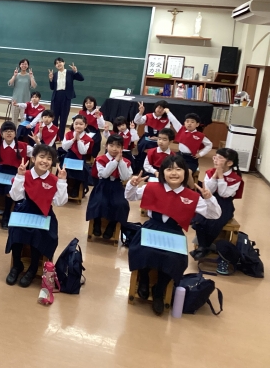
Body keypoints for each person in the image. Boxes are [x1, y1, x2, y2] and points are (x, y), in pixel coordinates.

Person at [125, 156, 221, 315]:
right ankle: (143, 278)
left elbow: (214, 215)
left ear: (185, 173)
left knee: (176, 259)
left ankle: (159, 290)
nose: (174, 173)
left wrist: (209, 199)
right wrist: (132, 185)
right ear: (162, 172)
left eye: (178, 169)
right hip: (152, 227)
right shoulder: (152, 187)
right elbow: (130, 196)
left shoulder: (192, 196)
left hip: (174, 232)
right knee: (141, 250)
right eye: (169, 169)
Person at [6, 145, 68, 287]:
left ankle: (33, 268)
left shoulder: (54, 179)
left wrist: (62, 181)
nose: (45, 161)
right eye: (41, 157)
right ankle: (17, 265)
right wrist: (20, 176)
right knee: (16, 229)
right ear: (33, 159)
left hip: (44, 214)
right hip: (25, 210)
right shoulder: (25, 174)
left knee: (39, 234)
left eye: (49, 158)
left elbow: (59, 202)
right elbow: (16, 197)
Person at [190, 148, 243, 262]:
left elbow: (224, 194)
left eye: (219, 158)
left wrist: (221, 176)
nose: (215, 160)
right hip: (210, 199)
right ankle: (205, 247)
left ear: (229, 163)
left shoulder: (236, 178)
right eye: (215, 157)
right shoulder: (210, 172)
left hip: (225, 204)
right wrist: (215, 175)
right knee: (198, 219)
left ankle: (203, 247)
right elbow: (209, 190)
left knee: (215, 221)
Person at [0, 121, 33, 229]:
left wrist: (38, 143)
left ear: (15, 133)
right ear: (1, 134)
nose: (9, 133)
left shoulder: (23, 146)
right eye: (6, 131)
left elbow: (36, 152)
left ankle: (6, 214)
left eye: (11, 131)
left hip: (15, 173)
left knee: (10, 190)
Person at [86, 134, 132, 239]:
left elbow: (125, 177)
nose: (114, 149)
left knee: (121, 204)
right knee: (99, 201)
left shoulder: (126, 162)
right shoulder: (100, 159)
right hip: (102, 185)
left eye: (118, 146)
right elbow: (104, 174)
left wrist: (120, 161)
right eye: (111, 145)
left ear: (122, 148)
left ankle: (112, 225)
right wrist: (115, 161)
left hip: (117, 185)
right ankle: (96, 222)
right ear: (106, 146)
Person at [166, 110, 212, 175]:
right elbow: (174, 120)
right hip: (179, 155)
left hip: (191, 159)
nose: (189, 123)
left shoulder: (200, 135)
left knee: (188, 173)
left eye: (192, 122)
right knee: (170, 168)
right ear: (184, 123)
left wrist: (200, 154)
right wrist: (168, 112)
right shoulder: (181, 130)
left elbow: (209, 145)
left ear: (197, 124)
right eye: (187, 121)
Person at [49, 58, 84, 140]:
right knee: (54, 118)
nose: (59, 64)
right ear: (55, 65)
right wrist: (50, 79)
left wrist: (76, 71)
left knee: (63, 118)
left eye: (60, 62)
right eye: (56, 63)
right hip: (56, 97)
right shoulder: (55, 74)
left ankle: (61, 137)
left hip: (66, 97)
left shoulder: (70, 72)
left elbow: (81, 78)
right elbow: (52, 88)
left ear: (64, 63)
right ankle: (54, 137)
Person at [59, 115, 94, 198]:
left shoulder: (87, 138)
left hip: (80, 158)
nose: (78, 126)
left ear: (85, 125)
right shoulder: (69, 134)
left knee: (81, 171)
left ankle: (76, 187)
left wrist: (78, 140)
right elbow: (64, 147)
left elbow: (83, 151)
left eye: (81, 124)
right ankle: (64, 187)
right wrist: (73, 139)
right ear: (73, 124)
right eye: (76, 124)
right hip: (69, 156)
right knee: (63, 168)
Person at [132, 100, 170, 173]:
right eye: (159, 107)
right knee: (144, 144)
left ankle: (153, 167)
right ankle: (141, 166)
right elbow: (137, 121)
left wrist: (158, 138)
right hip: (147, 137)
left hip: (159, 138)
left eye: (163, 109)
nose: (160, 110)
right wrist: (140, 112)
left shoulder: (166, 120)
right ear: (155, 107)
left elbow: (166, 132)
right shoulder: (148, 116)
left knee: (160, 145)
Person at [8, 59, 37, 123]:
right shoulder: (16, 75)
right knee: (14, 120)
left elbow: (34, 86)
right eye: (22, 64)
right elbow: (10, 84)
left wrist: (31, 77)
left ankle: (22, 130)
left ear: (28, 66)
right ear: (20, 65)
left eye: (26, 64)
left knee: (24, 121)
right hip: (15, 101)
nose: (24, 65)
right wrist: (14, 76)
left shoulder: (29, 76)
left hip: (25, 102)